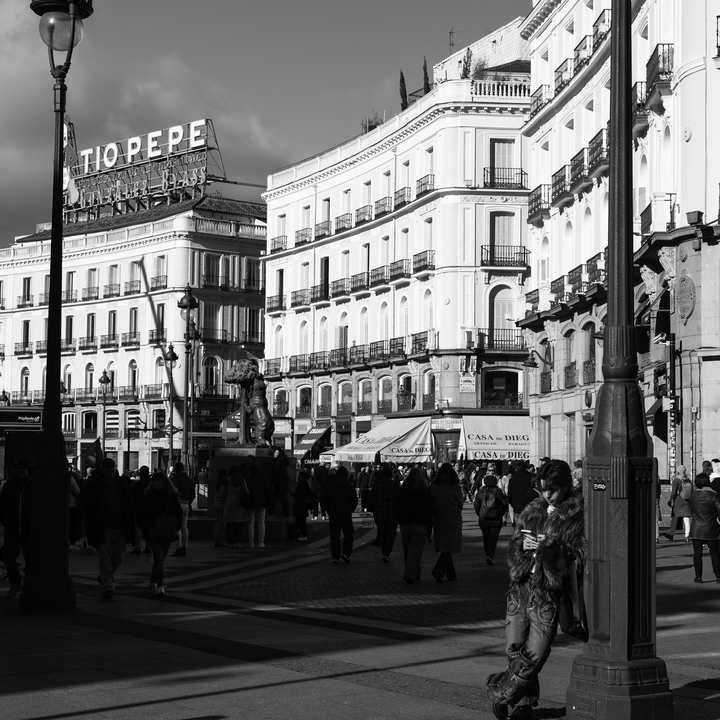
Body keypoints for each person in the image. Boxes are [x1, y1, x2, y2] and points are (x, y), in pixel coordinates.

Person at [487, 459, 584, 720]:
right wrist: (522, 546)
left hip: (547, 592)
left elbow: (581, 558)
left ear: (566, 486)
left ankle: (501, 692)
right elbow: (512, 549)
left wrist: (551, 549)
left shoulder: (577, 516)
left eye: (552, 489)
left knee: (534, 654)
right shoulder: (533, 510)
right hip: (521, 587)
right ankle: (524, 705)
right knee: (514, 648)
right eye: (543, 489)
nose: (547, 495)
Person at [84, 457, 136, 599]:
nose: (111, 474)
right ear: (102, 470)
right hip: (103, 527)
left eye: (113, 471)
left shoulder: (121, 484)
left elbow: (128, 505)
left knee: (118, 557)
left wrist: (131, 528)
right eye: (108, 471)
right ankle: (107, 586)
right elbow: (89, 509)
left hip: (120, 526)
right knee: (105, 559)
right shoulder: (94, 486)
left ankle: (105, 577)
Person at [137, 471, 183, 597]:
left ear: (165, 483)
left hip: (168, 532)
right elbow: (140, 515)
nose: (156, 483)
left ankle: (152, 582)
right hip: (153, 532)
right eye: (155, 481)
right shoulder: (148, 498)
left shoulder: (171, 497)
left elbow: (179, 514)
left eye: (159, 481)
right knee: (159, 558)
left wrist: (176, 527)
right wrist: (148, 528)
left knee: (159, 560)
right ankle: (160, 585)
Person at [393, 467, 434, 583]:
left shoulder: (403, 490)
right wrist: (427, 521)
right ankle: (410, 574)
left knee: (408, 551)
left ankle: (415, 574)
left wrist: (400, 519)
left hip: (405, 524)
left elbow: (395, 506)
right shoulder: (425, 491)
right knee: (415, 551)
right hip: (420, 523)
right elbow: (430, 508)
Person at [0, 458, 33, 598]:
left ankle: (30, 586)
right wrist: (4, 519)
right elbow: (3, 504)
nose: (20, 470)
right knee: (8, 556)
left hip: (28, 529)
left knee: (31, 559)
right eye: (18, 468)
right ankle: (15, 583)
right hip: (12, 527)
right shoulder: (9, 486)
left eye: (23, 468)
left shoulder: (34, 485)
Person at [430, 463, 464, 583]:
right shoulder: (454, 486)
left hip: (439, 518)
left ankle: (451, 573)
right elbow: (460, 503)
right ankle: (439, 570)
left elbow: (431, 502)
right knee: (449, 546)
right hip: (453, 518)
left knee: (445, 544)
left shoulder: (435, 486)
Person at [687, 472, 720, 583]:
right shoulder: (714, 495)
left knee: (697, 554)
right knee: (715, 553)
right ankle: (718, 576)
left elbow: (691, 509)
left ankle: (698, 576)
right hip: (711, 528)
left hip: (696, 528)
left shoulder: (693, 496)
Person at [322, 465, 358, 563]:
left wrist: (328, 510)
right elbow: (354, 499)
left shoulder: (330, 484)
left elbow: (325, 498)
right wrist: (351, 509)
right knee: (348, 533)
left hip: (333, 513)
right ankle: (346, 553)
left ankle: (335, 556)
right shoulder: (349, 486)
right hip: (346, 513)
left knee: (334, 535)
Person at [474, 474, 509, 565]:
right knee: (493, 538)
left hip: (483, 520)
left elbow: (476, 505)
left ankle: (487, 554)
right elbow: (505, 504)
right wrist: (500, 514)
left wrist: (480, 514)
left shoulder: (481, 492)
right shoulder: (498, 492)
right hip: (496, 520)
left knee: (486, 538)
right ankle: (490, 554)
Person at [371, 465, 400, 562]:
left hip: (380, 512)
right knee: (391, 533)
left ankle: (384, 552)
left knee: (382, 532)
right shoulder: (395, 484)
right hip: (392, 513)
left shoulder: (376, 484)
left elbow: (372, 499)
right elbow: (399, 499)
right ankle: (387, 552)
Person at [220, 466, 250, 548]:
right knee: (239, 523)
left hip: (229, 501)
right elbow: (246, 491)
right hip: (240, 501)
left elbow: (222, 493)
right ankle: (238, 541)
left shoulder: (226, 480)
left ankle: (230, 542)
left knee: (230, 523)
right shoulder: (241, 479)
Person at [245, 457, 271, 548]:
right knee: (261, 522)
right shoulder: (263, 479)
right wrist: (268, 503)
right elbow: (267, 492)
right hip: (262, 503)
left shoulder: (247, 480)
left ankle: (251, 542)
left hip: (251, 503)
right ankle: (261, 542)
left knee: (250, 523)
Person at [170, 462, 195, 556]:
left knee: (177, 527)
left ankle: (178, 547)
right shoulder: (190, 480)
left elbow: (170, 492)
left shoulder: (173, 480)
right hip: (186, 504)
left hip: (176, 504)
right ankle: (184, 546)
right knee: (184, 527)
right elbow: (192, 495)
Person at [663, 465, 693, 542]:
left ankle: (671, 534)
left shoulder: (676, 480)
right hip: (687, 500)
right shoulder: (688, 480)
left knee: (674, 517)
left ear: (678, 471)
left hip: (678, 500)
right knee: (686, 518)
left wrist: (672, 498)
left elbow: (673, 492)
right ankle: (687, 535)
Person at [129, 466, 152, 554]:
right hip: (149, 508)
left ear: (140, 473)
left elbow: (132, 495)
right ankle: (148, 547)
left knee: (137, 528)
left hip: (138, 507)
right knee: (148, 527)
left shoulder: (137, 484)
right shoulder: (151, 484)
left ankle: (137, 547)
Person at [507, 460, 537, 526]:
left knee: (518, 527)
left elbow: (509, 495)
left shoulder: (512, 479)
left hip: (517, 506)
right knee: (528, 526)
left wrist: (513, 503)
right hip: (529, 505)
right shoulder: (529, 477)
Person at [269, 448, 290, 518]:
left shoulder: (278, 463)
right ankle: (287, 515)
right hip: (283, 485)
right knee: (283, 500)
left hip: (278, 485)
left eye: (276, 453)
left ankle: (271, 514)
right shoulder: (283, 462)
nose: (274, 454)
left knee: (274, 500)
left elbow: (276, 475)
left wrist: (273, 485)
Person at [213, 468, 228, 547]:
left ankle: (216, 538)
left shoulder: (216, 483)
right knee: (222, 523)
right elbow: (223, 495)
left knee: (218, 522)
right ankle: (219, 540)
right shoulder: (223, 484)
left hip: (216, 502)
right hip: (221, 503)